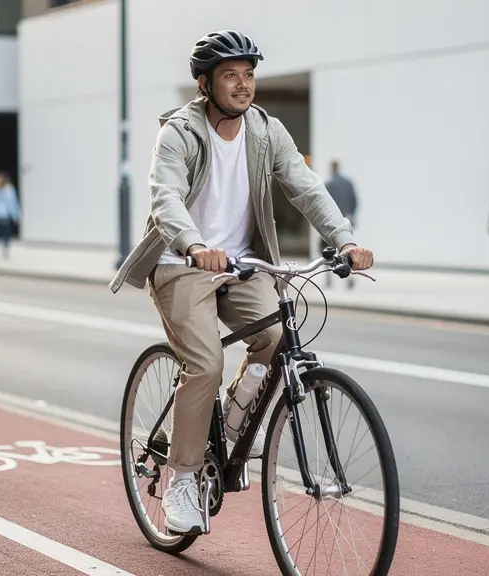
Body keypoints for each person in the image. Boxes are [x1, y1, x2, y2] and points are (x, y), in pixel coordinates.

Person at [109, 30, 373, 536]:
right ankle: (183, 476)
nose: (243, 84)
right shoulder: (180, 133)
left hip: (241, 263)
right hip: (182, 261)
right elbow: (164, 197)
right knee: (205, 361)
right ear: (205, 84)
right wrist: (192, 244)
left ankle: (230, 428)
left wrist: (344, 240)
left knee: (276, 338)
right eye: (231, 75)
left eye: (249, 74)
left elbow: (305, 186)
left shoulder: (265, 132)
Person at [322, 159, 359, 289]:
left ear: (332, 169)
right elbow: (355, 201)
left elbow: (324, 205)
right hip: (346, 221)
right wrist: (350, 215)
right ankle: (350, 279)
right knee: (347, 250)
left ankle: (328, 279)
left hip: (331, 224)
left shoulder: (329, 184)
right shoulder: (348, 183)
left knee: (329, 252)